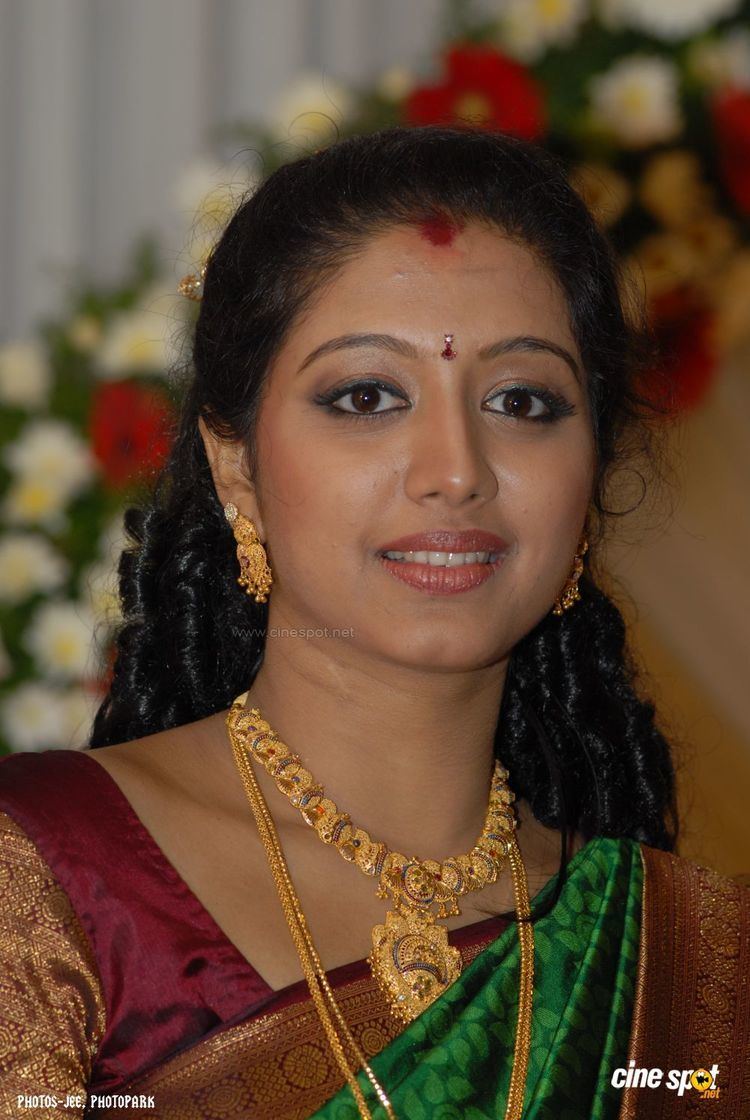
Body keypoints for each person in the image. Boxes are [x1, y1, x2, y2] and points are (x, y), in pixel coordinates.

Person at [0, 125, 748, 1120]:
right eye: (366, 394)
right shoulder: (45, 879)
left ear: (592, 476)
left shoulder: (689, 968)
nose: (456, 468)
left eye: (523, 399)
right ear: (237, 469)